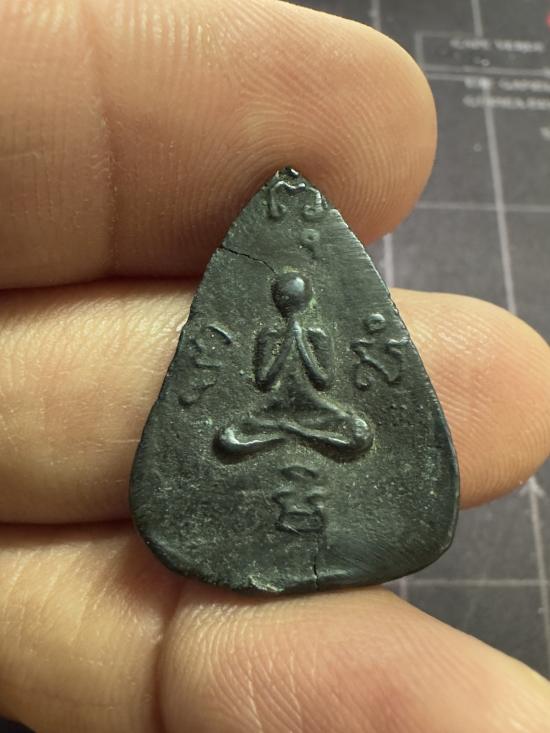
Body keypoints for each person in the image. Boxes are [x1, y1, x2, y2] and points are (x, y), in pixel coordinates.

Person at [0, 0, 549, 731]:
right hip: (276, 413)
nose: (290, 301)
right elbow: (262, 379)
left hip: (309, 412)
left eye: (292, 297)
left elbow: (319, 379)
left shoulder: (316, 332)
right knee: (235, 435)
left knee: (354, 430)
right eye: (287, 296)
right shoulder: (270, 332)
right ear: (284, 294)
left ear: (299, 296)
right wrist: (281, 367)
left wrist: (306, 357)